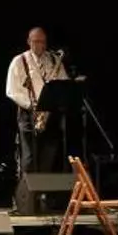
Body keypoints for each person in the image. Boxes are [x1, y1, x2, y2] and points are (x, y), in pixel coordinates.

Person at [5, 27, 69, 173]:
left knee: (49, 155)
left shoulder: (54, 60)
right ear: (29, 42)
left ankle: (44, 187)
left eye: (43, 42)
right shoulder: (19, 61)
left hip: (50, 113)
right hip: (29, 113)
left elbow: (63, 83)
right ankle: (28, 188)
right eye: (36, 41)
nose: (40, 45)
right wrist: (32, 106)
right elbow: (12, 90)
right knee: (29, 158)